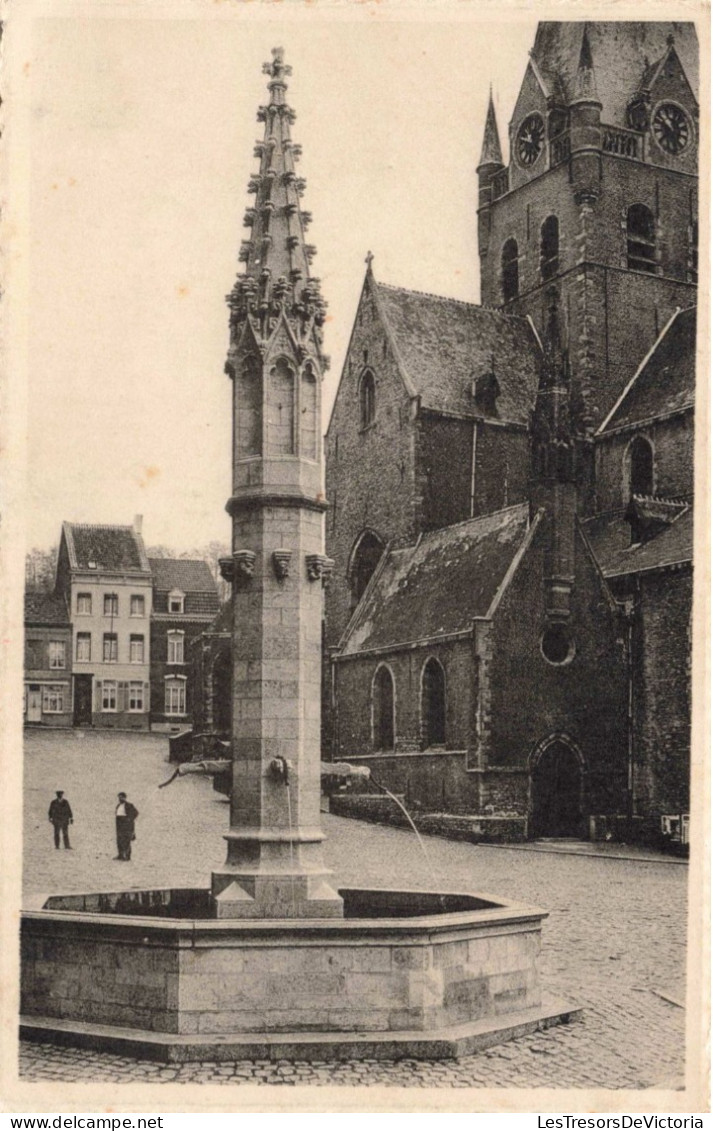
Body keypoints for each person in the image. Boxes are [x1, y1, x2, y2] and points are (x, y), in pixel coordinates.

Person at [114, 792, 139, 861]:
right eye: (119, 797)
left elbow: (136, 813)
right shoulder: (118, 805)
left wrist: (129, 819)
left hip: (126, 824)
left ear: (125, 798)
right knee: (119, 840)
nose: (120, 799)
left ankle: (127, 856)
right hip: (119, 824)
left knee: (126, 840)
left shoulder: (129, 805)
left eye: (121, 797)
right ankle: (120, 855)